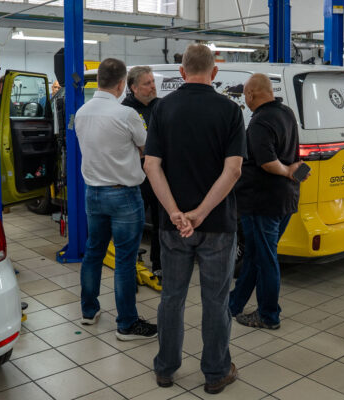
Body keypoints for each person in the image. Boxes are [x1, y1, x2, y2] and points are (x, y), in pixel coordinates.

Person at [144, 44, 246, 394]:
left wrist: (175, 212)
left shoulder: (162, 108)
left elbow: (151, 165)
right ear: (214, 72)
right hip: (217, 225)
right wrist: (201, 213)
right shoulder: (230, 111)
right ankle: (216, 373)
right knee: (215, 301)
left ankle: (165, 369)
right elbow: (233, 171)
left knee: (172, 298)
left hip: (173, 226)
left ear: (182, 71)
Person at [74, 58, 157, 341]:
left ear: (99, 80)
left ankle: (89, 311)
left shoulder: (82, 113)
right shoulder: (126, 115)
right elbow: (146, 148)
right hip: (123, 195)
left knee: (93, 252)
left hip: (93, 193)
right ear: (122, 84)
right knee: (125, 259)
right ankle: (127, 324)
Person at [229, 73, 304, 330]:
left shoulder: (260, 121)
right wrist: (295, 172)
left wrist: (287, 171)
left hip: (263, 202)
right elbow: (294, 155)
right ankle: (234, 304)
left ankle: (269, 315)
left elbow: (267, 162)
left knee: (266, 258)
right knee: (255, 254)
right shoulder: (287, 113)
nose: (245, 100)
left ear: (251, 94)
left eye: (245, 95)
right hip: (285, 199)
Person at [121, 66, 162, 278]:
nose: (153, 86)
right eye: (147, 83)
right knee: (134, 224)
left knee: (161, 222)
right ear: (134, 88)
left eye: (153, 81)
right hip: (136, 178)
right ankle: (132, 265)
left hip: (160, 175)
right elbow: (126, 147)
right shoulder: (125, 110)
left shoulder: (161, 106)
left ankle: (158, 264)